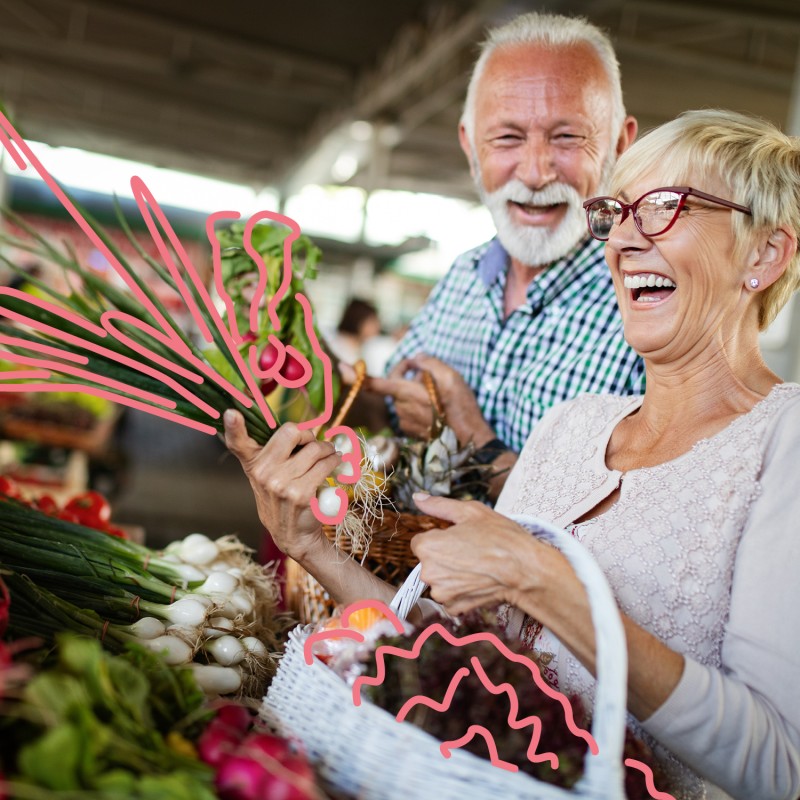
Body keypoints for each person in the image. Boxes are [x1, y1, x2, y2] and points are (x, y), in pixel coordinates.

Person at [224, 109, 800, 799]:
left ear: (765, 255)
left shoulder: (782, 441)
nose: (622, 240)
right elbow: (461, 664)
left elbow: (779, 767)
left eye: (664, 208)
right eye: (615, 213)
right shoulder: (570, 427)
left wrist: (545, 584)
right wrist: (312, 548)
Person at [363, 12, 644, 495]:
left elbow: (626, 517)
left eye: (567, 137)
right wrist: (307, 368)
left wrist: (467, 434)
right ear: (471, 146)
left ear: (620, 144)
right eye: (508, 137)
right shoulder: (465, 274)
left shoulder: (646, 304)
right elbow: (386, 413)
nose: (535, 172)